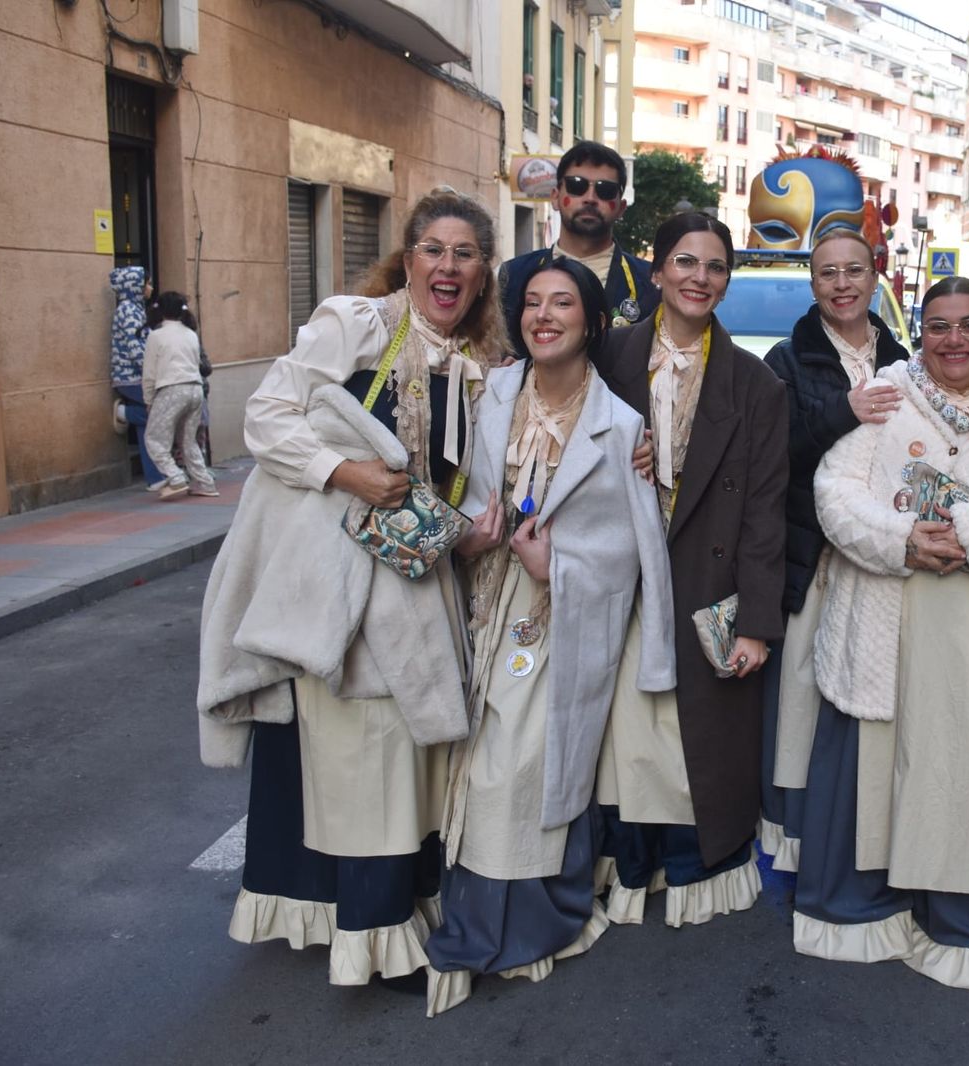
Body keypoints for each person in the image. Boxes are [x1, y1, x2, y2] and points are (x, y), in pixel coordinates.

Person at [196, 186, 504, 988]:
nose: (448, 265)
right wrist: (344, 472)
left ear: (482, 274)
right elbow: (266, 417)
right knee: (357, 753)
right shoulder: (357, 323)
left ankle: (388, 913)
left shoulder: (474, 369)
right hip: (339, 581)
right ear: (407, 259)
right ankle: (368, 933)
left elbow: (457, 482)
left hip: (416, 582)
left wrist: (476, 529)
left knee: (399, 759)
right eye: (433, 249)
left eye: (465, 253)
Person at [795, 277, 969, 990]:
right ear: (920, 331)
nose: (955, 339)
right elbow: (836, 492)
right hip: (892, 611)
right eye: (940, 325)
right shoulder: (888, 395)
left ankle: (958, 920)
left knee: (963, 767)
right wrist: (903, 540)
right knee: (883, 760)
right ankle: (866, 912)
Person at [422, 258, 674, 1015]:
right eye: (531, 302)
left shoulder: (622, 427)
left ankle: (512, 923)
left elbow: (635, 550)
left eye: (563, 303)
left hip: (559, 621)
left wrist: (555, 563)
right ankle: (478, 911)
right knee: (473, 761)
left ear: (592, 323)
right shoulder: (488, 390)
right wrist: (465, 538)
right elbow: (443, 484)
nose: (543, 315)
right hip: (475, 606)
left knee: (520, 767)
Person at [591, 212, 788, 927]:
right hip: (621, 576)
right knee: (624, 730)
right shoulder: (607, 356)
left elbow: (767, 513)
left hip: (708, 586)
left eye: (714, 266)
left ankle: (694, 868)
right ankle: (627, 862)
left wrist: (759, 623)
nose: (699, 277)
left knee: (689, 737)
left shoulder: (756, 385)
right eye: (685, 261)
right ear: (657, 272)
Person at [758, 228, 910, 872]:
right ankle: (796, 838)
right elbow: (776, 454)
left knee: (871, 693)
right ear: (813, 282)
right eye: (828, 273)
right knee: (803, 694)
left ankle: (863, 823)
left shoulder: (905, 354)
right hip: (814, 552)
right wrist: (843, 411)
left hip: (885, 554)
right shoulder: (785, 360)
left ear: (875, 276)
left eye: (855, 270)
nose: (843, 283)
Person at [499, 141, 659, 329]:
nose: (590, 198)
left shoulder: (652, 284)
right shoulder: (511, 277)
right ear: (555, 198)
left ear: (621, 208)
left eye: (605, 190)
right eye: (576, 186)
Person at [142, 291, 217, 500]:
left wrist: (148, 400)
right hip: (195, 390)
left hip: (171, 389)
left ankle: (176, 478)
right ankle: (205, 482)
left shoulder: (156, 336)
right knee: (188, 440)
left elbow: (149, 373)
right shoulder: (190, 334)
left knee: (154, 439)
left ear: (161, 310)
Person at [109, 265, 165, 490]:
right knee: (157, 413)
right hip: (132, 378)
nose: (151, 288)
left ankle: (155, 478)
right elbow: (137, 348)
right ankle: (125, 412)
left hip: (134, 377)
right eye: (147, 283)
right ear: (136, 287)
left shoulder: (134, 309)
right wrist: (154, 373)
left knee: (148, 423)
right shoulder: (129, 311)